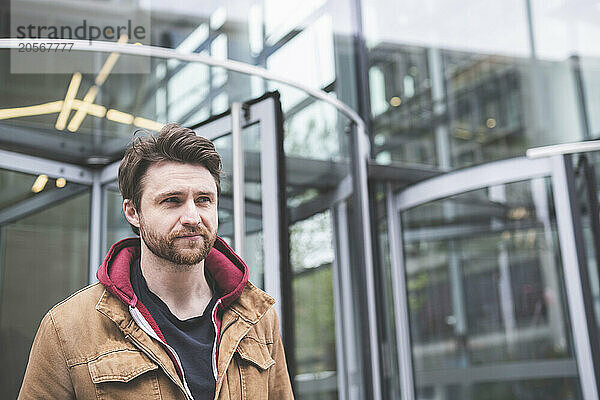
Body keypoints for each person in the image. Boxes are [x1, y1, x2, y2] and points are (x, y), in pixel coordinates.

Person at [18, 123, 294, 399]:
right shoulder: (67, 327)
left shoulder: (258, 316)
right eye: (172, 201)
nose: (193, 217)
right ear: (133, 212)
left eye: (204, 200)